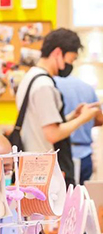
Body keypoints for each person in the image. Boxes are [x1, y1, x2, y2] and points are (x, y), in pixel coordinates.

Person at [15, 28, 100, 187]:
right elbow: (52, 134)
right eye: (71, 59)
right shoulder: (44, 85)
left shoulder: (30, 77)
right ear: (58, 53)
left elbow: (42, 124)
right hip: (44, 169)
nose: (70, 65)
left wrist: (73, 116)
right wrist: (83, 119)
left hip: (33, 165)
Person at [54, 75, 103, 184]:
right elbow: (100, 119)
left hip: (61, 153)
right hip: (85, 152)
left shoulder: (52, 84)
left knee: (63, 191)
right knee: (82, 191)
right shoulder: (87, 88)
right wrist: (86, 122)